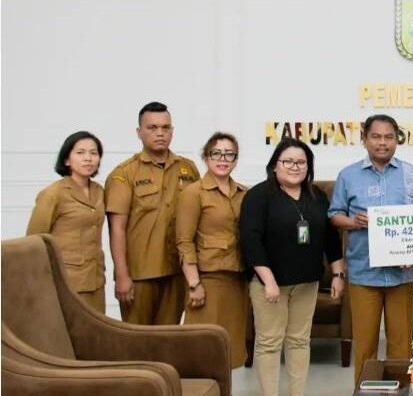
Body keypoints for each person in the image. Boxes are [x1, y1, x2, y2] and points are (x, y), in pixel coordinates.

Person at [328, 114, 413, 384]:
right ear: (364, 139)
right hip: (364, 272)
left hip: (402, 274)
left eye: (389, 137)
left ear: (397, 139)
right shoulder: (348, 175)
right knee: (365, 347)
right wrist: (353, 222)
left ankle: (401, 391)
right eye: (376, 136)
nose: (383, 143)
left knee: (402, 347)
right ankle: (366, 392)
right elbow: (334, 215)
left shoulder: (412, 175)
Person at [240, 138, 344, 396]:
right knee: (269, 343)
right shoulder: (258, 196)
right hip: (270, 285)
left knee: (299, 341)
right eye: (288, 161)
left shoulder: (316, 195)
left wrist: (338, 274)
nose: (295, 167)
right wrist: (269, 280)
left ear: (308, 167)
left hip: (307, 282)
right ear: (275, 164)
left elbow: (331, 239)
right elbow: (250, 240)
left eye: (301, 162)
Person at [105, 101, 200, 325]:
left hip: (177, 272)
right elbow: (116, 229)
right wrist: (121, 275)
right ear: (139, 132)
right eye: (152, 128)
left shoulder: (188, 169)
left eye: (165, 128)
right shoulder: (124, 174)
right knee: (137, 341)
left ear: (172, 131)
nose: (160, 133)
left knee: (169, 339)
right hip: (139, 275)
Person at [175, 132, 249, 368]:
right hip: (207, 281)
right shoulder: (193, 193)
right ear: (206, 158)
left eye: (229, 154)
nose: (223, 159)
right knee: (202, 353)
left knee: (232, 353)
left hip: (237, 281)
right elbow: (184, 241)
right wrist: (194, 284)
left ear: (236, 160)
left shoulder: (244, 193)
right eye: (216, 153)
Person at [26, 131, 107, 314]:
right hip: (66, 281)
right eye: (80, 153)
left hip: (96, 279)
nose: (88, 158)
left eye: (93, 153)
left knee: (96, 338)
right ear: (66, 160)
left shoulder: (100, 191)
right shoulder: (53, 194)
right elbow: (33, 242)